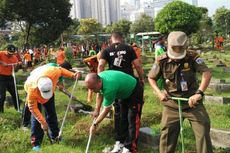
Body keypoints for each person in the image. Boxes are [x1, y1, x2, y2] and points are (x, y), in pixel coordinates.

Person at [148, 31, 213, 153]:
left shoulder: (193, 57)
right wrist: (159, 93)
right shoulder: (161, 60)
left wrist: (199, 93)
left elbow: (206, 73)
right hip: (171, 104)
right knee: (166, 136)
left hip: (192, 103)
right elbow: (151, 78)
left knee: (203, 130)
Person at [97, 32, 144, 153]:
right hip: (129, 83)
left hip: (115, 86)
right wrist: (142, 78)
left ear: (111, 39)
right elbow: (137, 65)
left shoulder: (106, 50)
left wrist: (99, 79)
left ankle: (120, 142)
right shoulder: (128, 48)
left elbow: (100, 65)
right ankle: (127, 145)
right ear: (121, 39)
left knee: (119, 114)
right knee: (132, 116)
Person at [24, 63, 80, 151]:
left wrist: (73, 75)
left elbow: (61, 70)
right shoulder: (31, 90)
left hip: (49, 89)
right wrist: (43, 123)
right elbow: (33, 109)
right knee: (36, 120)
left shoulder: (54, 72)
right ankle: (36, 143)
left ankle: (56, 136)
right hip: (35, 92)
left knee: (51, 114)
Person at [85, 70, 143, 153]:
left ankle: (130, 148)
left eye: (93, 88)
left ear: (99, 82)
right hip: (122, 91)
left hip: (134, 90)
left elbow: (106, 110)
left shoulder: (109, 88)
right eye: (90, 89)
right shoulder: (98, 78)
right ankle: (121, 143)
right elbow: (99, 93)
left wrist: (95, 124)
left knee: (132, 120)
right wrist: (97, 110)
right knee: (121, 118)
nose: (92, 91)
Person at [21, 61, 74, 128]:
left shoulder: (59, 72)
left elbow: (61, 87)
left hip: (45, 87)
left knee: (49, 109)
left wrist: (69, 94)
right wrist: (42, 122)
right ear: (64, 68)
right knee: (31, 106)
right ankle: (25, 124)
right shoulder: (53, 68)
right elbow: (33, 107)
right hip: (33, 83)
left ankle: (50, 126)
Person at [0, 44, 21, 113]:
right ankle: (1, 111)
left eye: (12, 53)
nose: (10, 55)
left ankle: (18, 109)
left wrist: (17, 66)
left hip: (9, 77)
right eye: (9, 53)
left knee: (15, 94)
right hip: (1, 77)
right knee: (2, 95)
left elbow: (15, 70)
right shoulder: (1, 53)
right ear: (6, 50)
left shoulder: (14, 58)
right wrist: (2, 62)